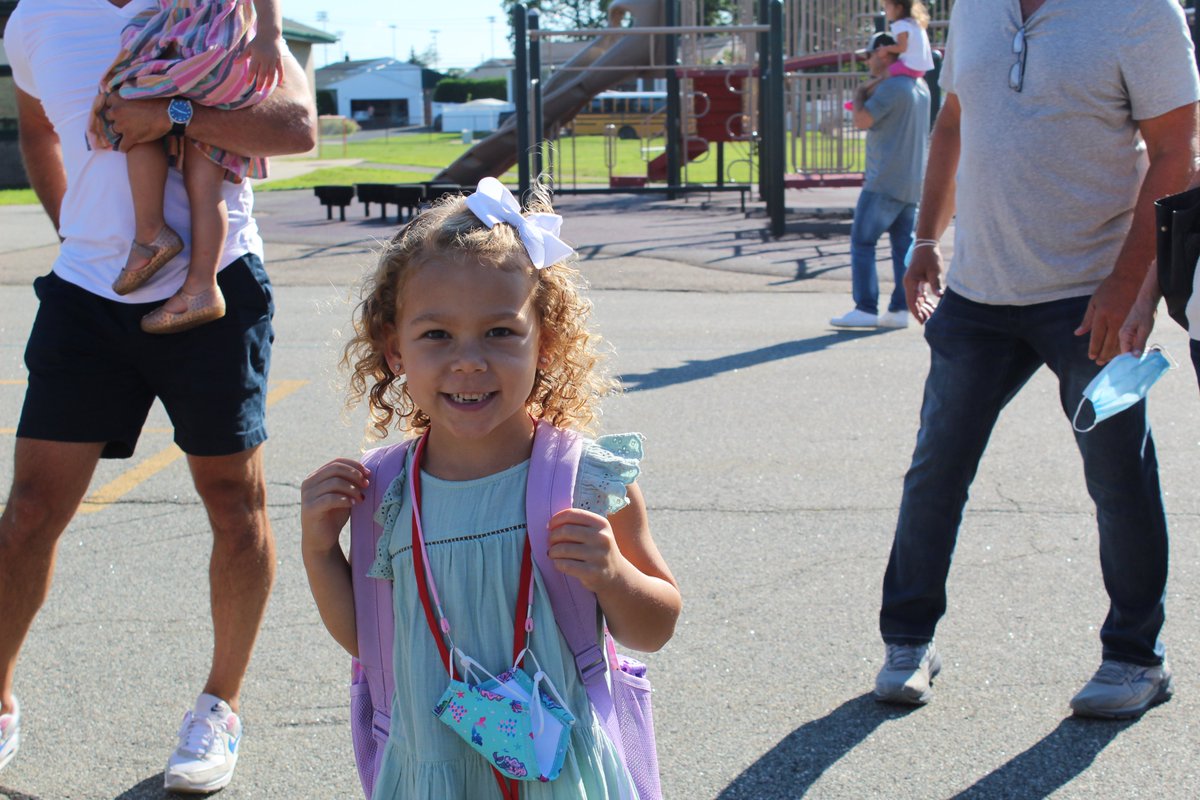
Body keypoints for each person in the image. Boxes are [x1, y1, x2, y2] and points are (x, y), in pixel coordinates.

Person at [1, 0, 315, 790]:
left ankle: (219, 706)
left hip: (218, 289)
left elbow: (294, 129)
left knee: (232, 504)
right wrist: (73, 222)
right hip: (86, 292)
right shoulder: (39, 16)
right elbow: (37, 127)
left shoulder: (226, 6)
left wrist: (172, 112)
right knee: (31, 509)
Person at [300, 179, 682, 798]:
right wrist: (321, 551)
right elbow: (372, 644)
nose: (469, 360)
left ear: (546, 343)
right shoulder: (384, 493)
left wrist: (614, 576)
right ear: (394, 350)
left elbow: (655, 628)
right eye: (436, 336)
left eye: (501, 332)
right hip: (433, 768)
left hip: (560, 770)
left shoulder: (585, 479)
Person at [874, 0, 1199, 719]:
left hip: (1091, 294)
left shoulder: (1141, 11)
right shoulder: (977, 6)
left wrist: (1127, 282)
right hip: (979, 293)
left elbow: (1177, 150)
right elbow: (955, 120)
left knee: (1119, 476)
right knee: (935, 470)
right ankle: (907, 639)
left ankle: (1135, 658)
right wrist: (927, 241)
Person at [89, 0, 287, 334]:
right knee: (204, 183)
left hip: (208, 46)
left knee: (133, 102)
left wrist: (270, 35)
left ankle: (152, 235)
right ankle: (201, 287)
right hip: (201, 43)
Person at [830, 31, 930, 330]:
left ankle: (865, 307)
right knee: (902, 247)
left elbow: (862, 121)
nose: (867, 61)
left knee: (863, 242)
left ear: (884, 54)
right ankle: (900, 308)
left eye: (869, 54)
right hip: (911, 181)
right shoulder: (920, 86)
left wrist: (861, 95)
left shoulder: (890, 88)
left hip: (883, 180)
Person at [879, 0, 934, 79]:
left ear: (899, 8)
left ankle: (864, 89)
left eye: (887, 6)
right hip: (921, 68)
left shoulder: (900, 25)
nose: (884, 10)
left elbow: (902, 47)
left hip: (910, 66)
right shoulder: (914, 22)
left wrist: (885, 49)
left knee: (884, 75)